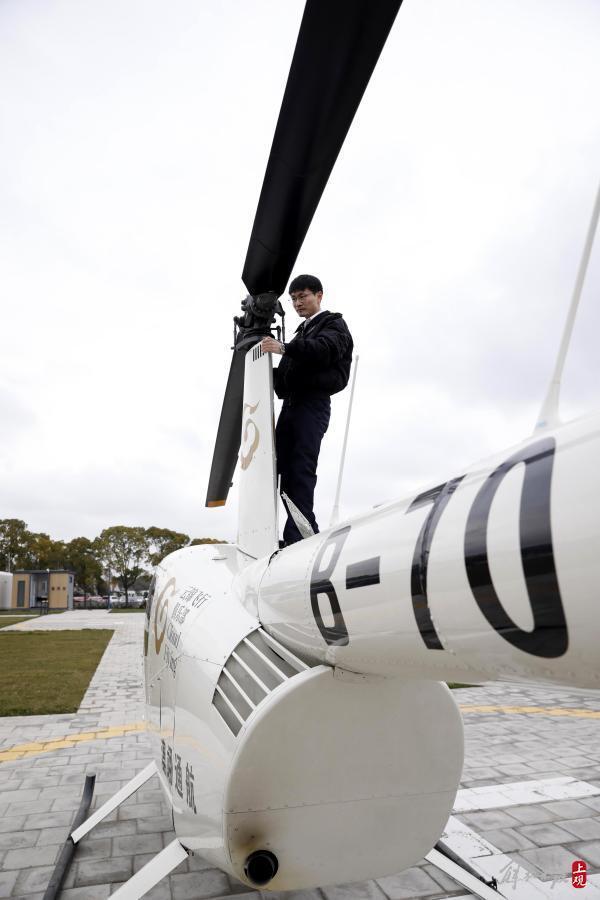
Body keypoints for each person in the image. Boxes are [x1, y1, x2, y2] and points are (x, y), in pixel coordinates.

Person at [260, 274, 353, 545]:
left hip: (311, 406)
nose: (297, 303)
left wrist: (284, 348)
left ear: (319, 296)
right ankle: (288, 534)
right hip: (291, 407)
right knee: (279, 469)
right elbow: (287, 378)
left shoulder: (333, 324)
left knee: (299, 469)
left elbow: (324, 350)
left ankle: (300, 536)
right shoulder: (301, 333)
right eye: (293, 299)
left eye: (303, 296)